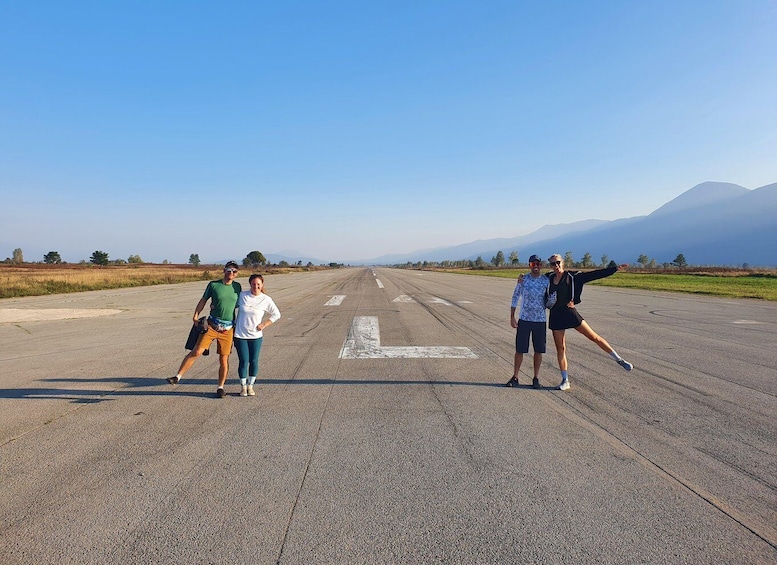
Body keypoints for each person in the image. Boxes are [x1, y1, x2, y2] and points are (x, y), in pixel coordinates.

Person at [546, 254, 633, 391]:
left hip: (569, 313)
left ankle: (619, 359)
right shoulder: (548, 278)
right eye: (552, 264)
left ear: (562, 263)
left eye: (557, 262)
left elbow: (594, 275)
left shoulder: (573, 277)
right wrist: (522, 278)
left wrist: (614, 269)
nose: (555, 266)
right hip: (556, 315)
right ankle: (565, 380)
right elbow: (533, 280)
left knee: (594, 337)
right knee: (560, 348)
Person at [167, 261, 242, 398]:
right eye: (229, 270)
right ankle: (178, 376)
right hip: (212, 325)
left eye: (234, 271)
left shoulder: (237, 287)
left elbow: (239, 304)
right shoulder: (214, 285)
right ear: (224, 271)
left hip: (227, 329)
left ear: (237, 274)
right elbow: (203, 300)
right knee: (197, 351)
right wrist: (195, 315)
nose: (231, 273)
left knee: (224, 359)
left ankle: (220, 387)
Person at [505, 255, 550, 389]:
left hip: (540, 320)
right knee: (520, 349)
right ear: (529, 265)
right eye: (532, 264)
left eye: (538, 264)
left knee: (539, 350)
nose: (535, 266)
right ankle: (515, 377)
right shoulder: (523, 280)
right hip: (524, 319)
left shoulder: (546, 280)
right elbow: (515, 297)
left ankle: (536, 378)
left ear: (541, 265)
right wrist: (512, 316)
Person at [233, 274, 281, 397]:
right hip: (240, 335)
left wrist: (264, 324)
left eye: (258, 284)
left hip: (256, 336)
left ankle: (251, 386)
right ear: (250, 284)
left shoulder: (266, 299)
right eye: (253, 284)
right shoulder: (242, 296)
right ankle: (243, 387)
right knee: (244, 361)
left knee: (254, 361)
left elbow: (276, 314)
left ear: (262, 285)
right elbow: (230, 304)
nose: (256, 286)